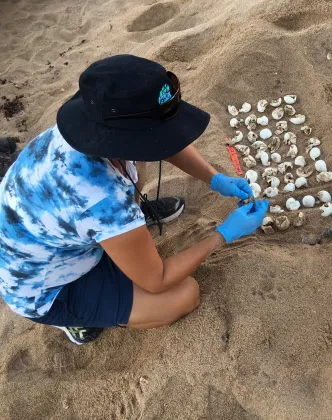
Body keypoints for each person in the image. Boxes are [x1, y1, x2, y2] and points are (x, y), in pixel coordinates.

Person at [0, 55, 268, 345]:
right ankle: (75, 320)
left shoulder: (89, 126)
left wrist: (214, 178)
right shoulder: (101, 200)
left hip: (56, 233)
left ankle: (127, 233)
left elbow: (159, 140)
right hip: (47, 287)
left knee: (131, 176)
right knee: (184, 295)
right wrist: (224, 233)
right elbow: (158, 279)